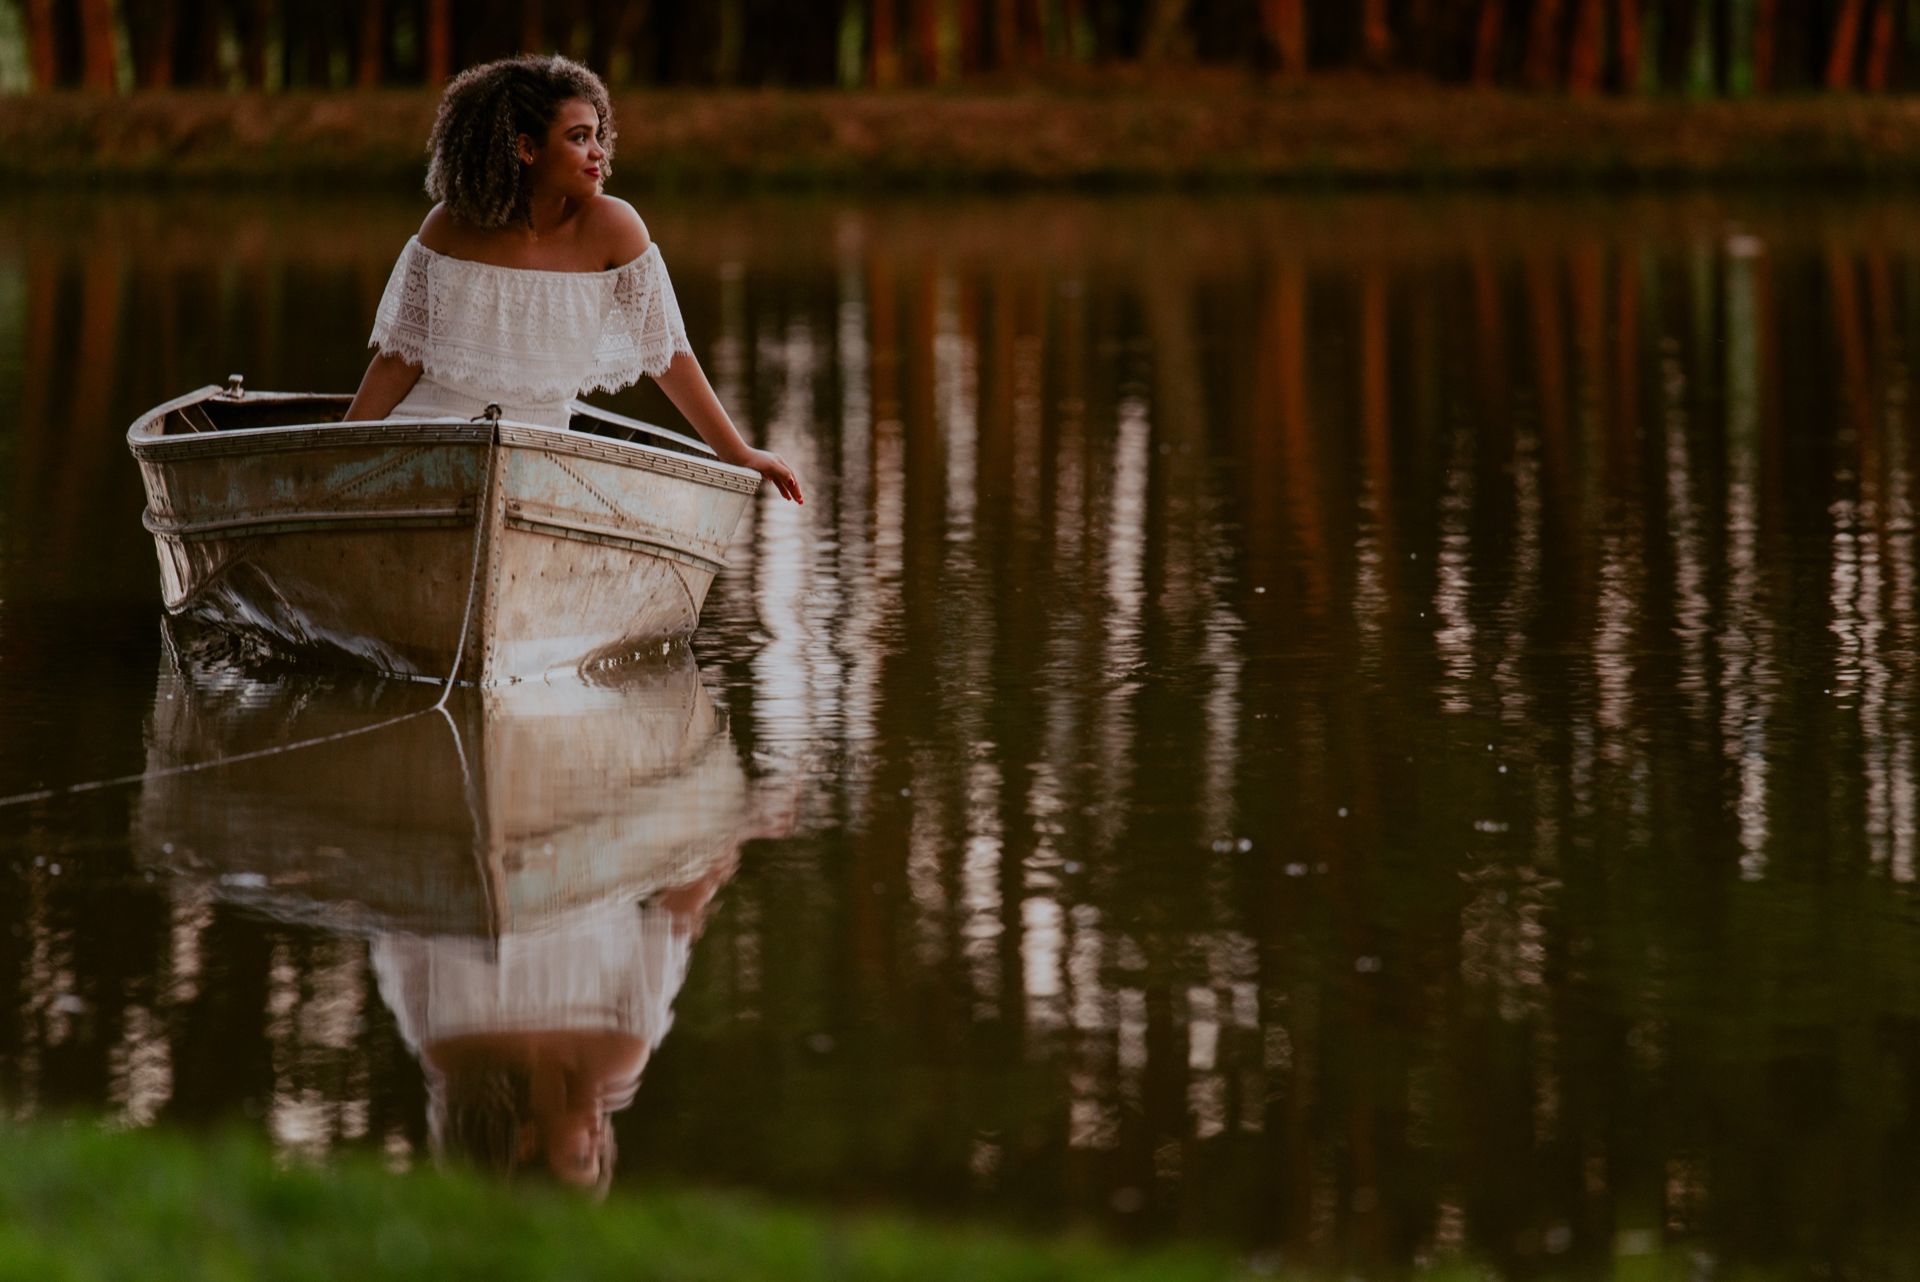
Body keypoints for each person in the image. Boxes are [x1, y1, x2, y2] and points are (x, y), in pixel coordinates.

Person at [344, 53, 802, 505]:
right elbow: (399, 359)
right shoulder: (448, 225)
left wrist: (738, 453)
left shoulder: (615, 228)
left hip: (540, 462)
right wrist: (339, 452)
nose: (598, 152)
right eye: (579, 137)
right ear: (527, 148)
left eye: (597, 135)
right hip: (426, 444)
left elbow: (666, 353)